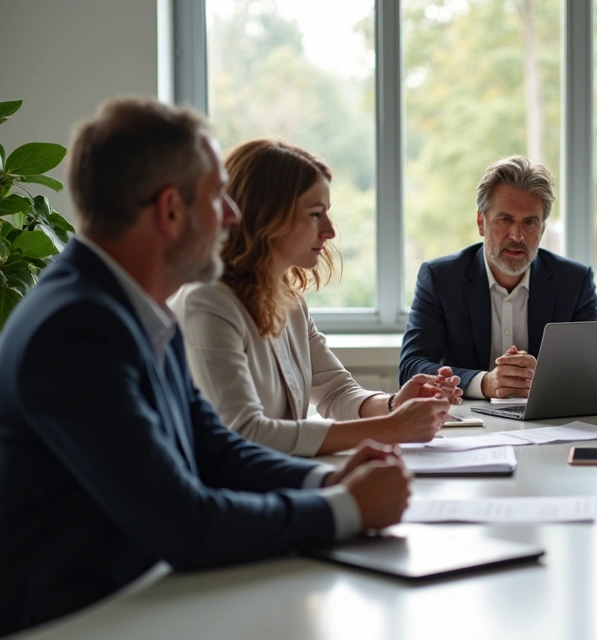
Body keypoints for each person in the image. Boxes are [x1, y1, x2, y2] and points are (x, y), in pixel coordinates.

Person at [0, 98, 413, 635]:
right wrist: (347, 508)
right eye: (218, 196)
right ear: (171, 211)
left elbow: (215, 449)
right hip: (78, 619)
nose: (234, 215)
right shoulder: (75, 329)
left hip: (140, 595)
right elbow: (183, 523)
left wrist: (329, 477)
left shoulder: (134, 302)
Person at [171, 139, 456, 457]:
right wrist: (389, 428)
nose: (330, 231)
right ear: (267, 217)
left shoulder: (289, 301)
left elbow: (336, 392)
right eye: (315, 214)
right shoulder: (207, 302)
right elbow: (245, 432)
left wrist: (394, 404)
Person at [399, 155, 597, 399]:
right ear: (481, 223)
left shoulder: (574, 282)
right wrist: (485, 382)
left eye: (530, 222)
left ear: (543, 229)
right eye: (505, 219)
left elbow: (595, 370)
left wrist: (543, 378)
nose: (517, 235)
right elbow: (412, 368)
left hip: (549, 424)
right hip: (469, 424)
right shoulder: (441, 279)